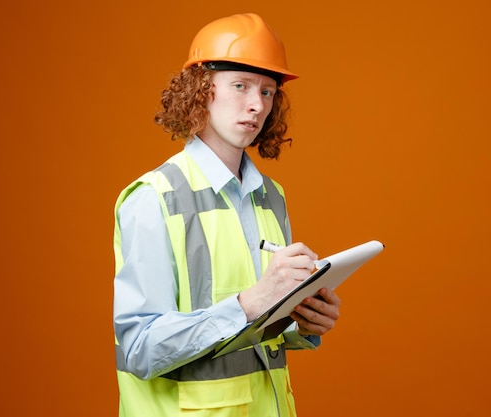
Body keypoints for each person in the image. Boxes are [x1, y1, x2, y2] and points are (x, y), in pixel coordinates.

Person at [112, 13, 341, 417]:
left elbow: (255, 332)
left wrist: (302, 322)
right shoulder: (154, 199)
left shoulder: (272, 197)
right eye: (240, 86)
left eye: (268, 92)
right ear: (201, 90)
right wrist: (248, 304)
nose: (256, 105)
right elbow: (139, 349)